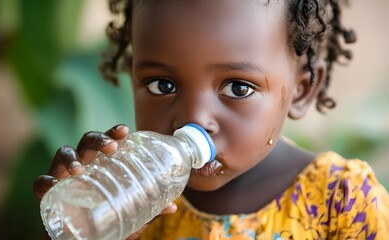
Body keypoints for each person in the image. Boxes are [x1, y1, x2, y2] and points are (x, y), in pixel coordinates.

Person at [34, 0, 389, 239]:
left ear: (301, 91)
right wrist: (87, 216)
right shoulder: (136, 202)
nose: (194, 118)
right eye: (162, 84)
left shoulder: (341, 201)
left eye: (237, 87)